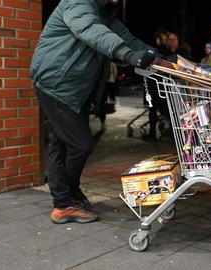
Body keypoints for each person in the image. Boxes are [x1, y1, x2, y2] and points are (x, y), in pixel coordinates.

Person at [31, 0, 157, 224]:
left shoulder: (106, 14)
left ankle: (64, 201)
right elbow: (89, 29)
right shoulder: (78, 2)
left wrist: (159, 58)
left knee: (61, 142)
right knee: (81, 144)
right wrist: (126, 54)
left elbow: (128, 39)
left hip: (73, 87)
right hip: (56, 82)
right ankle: (66, 198)